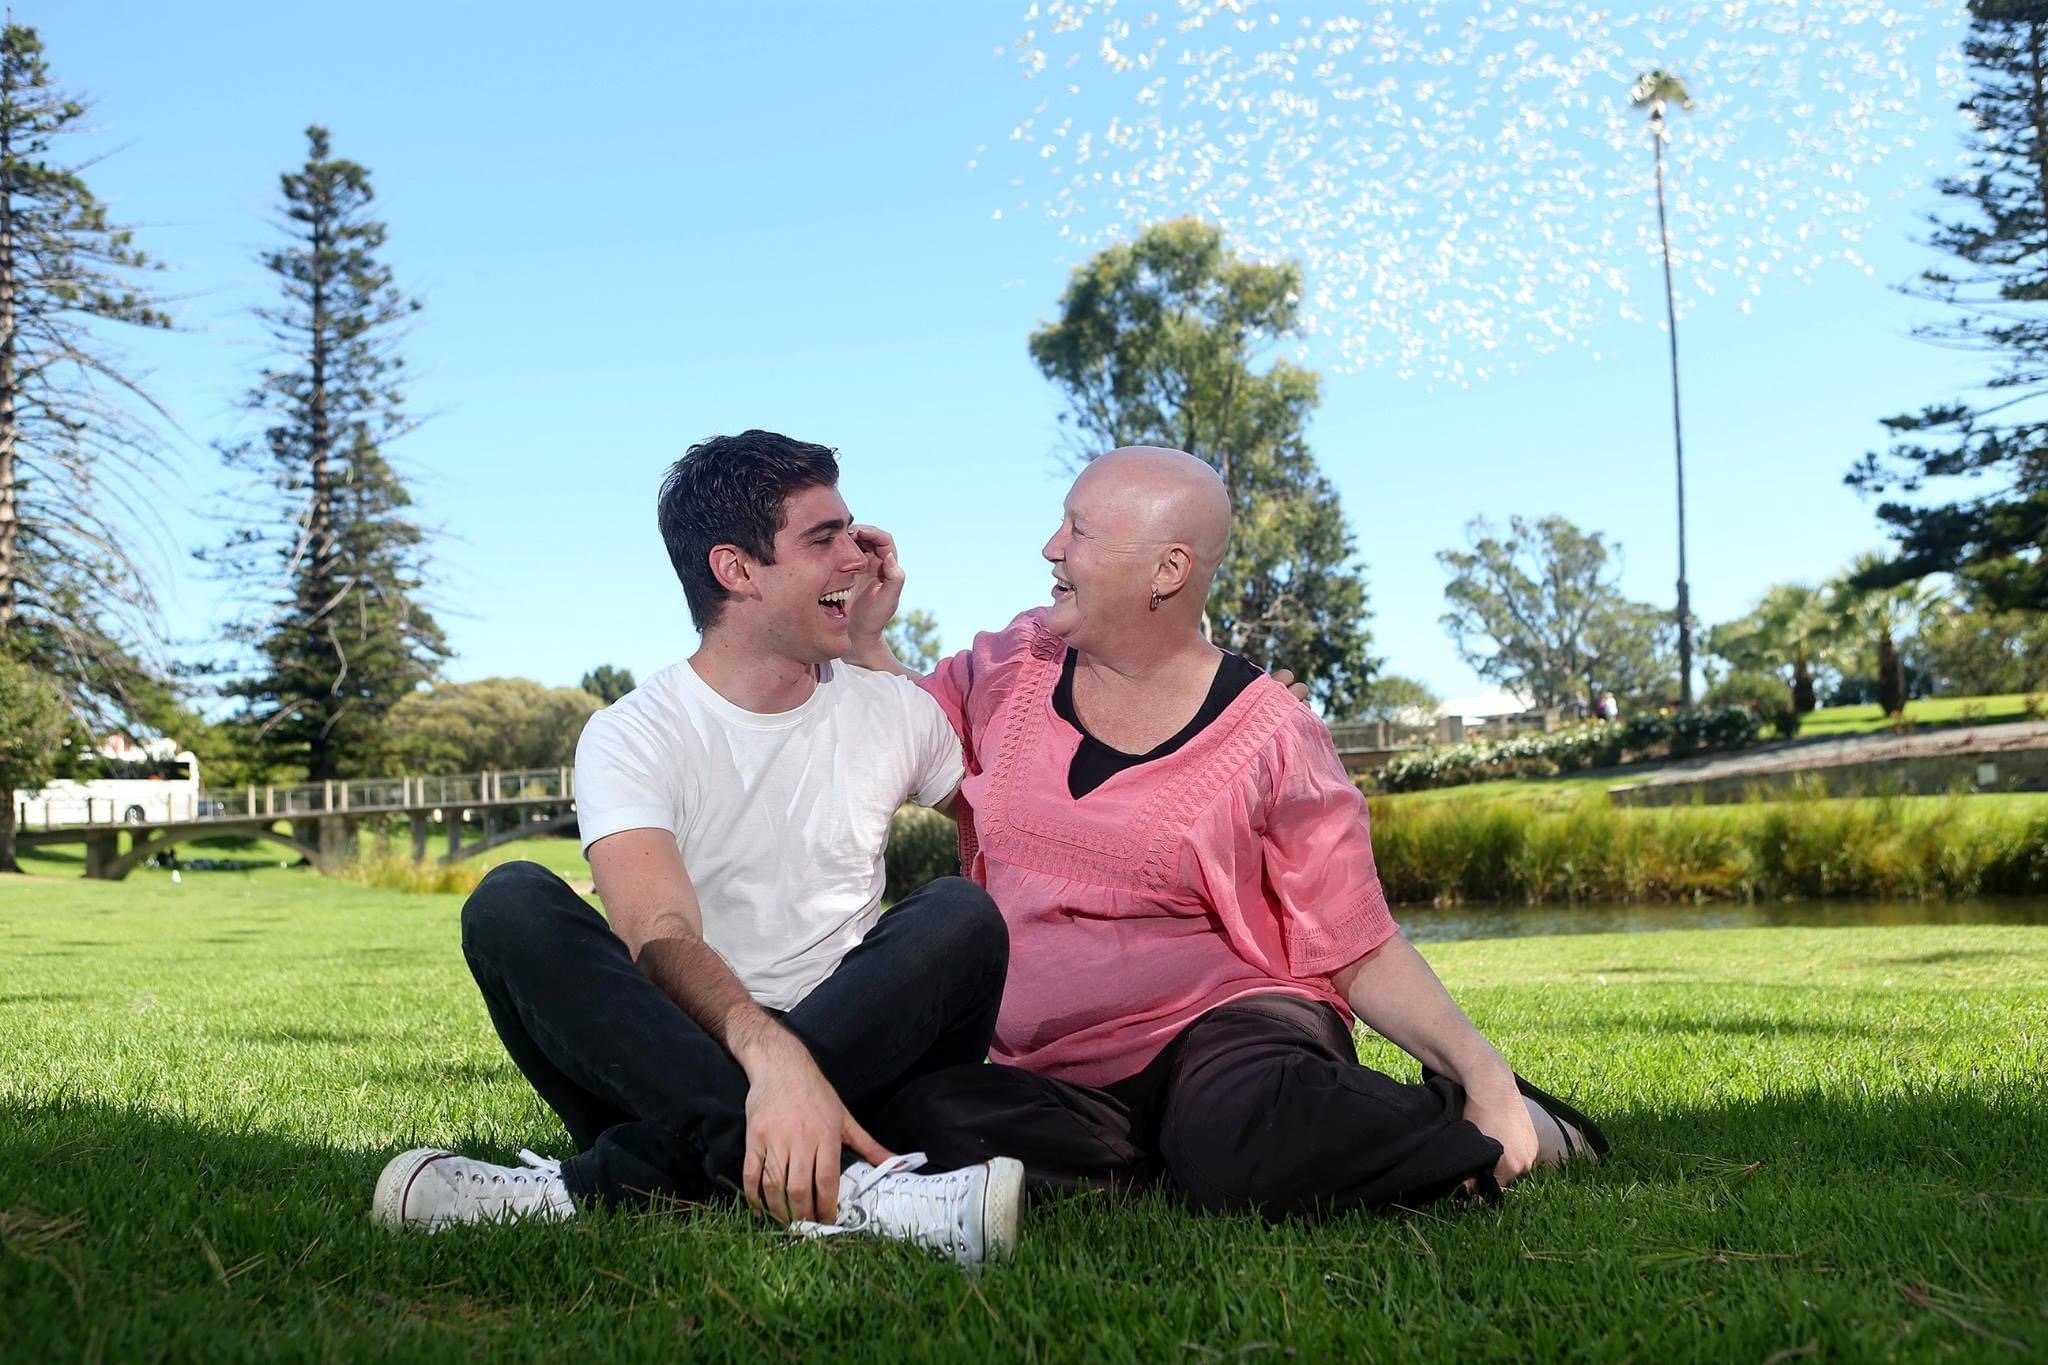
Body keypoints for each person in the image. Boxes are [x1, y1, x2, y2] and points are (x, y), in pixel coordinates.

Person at [849, 446, 1606, 1218]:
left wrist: (1487, 1078)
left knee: (1238, 1128)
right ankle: (1169, 1161)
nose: (1051, 548)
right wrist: (863, 642)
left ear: (1167, 570)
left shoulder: (1274, 735)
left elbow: (1358, 943)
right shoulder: (1013, 664)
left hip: (1233, 1036)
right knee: (926, 1113)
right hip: (1063, 1074)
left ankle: (1515, 1128)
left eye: (1078, 529)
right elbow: (916, 742)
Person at [372, 431, 1023, 1265]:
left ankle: (598, 1186)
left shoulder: (894, 710)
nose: (857, 560)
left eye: (854, 534)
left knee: (960, 913)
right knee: (510, 903)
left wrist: (871, 646)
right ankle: (858, 1191)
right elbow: (660, 934)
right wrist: (766, 1049)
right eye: (824, 539)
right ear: (736, 569)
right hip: (675, 1057)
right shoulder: (632, 734)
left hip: (863, 1056)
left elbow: (1001, 837)